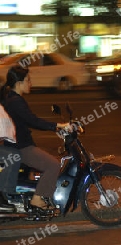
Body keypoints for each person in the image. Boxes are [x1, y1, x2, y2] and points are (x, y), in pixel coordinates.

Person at [0, 65, 69, 211]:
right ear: (19, 83)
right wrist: (58, 126)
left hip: (17, 144)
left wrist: (56, 127)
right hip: (21, 147)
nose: (30, 84)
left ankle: (32, 194)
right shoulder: (16, 102)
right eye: (28, 80)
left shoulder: (11, 98)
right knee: (53, 165)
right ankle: (37, 199)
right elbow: (33, 120)